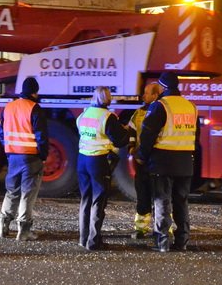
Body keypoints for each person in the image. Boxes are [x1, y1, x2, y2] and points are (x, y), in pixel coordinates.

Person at [136, 71, 198, 252]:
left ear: (162, 87)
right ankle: (182, 242)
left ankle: (162, 242)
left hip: (163, 161)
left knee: (162, 201)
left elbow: (148, 134)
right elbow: (197, 137)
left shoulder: (160, 106)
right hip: (185, 162)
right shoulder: (191, 106)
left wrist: (142, 156)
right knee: (181, 202)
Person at [76, 87, 130, 251]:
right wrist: (125, 131)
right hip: (98, 161)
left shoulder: (84, 114)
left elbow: (80, 130)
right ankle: (93, 242)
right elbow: (120, 140)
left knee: (85, 199)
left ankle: (83, 238)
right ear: (108, 99)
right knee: (98, 201)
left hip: (82, 159)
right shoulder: (108, 117)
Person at [0, 76, 49, 241]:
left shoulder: (8, 107)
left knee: (12, 191)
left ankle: (3, 225)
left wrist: (8, 150)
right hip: (31, 158)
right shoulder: (34, 108)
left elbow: (1, 133)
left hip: (13, 156)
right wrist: (43, 155)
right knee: (28, 193)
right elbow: (41, 135)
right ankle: (24, 230)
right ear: (35, 92)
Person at [127, 82, 162, 239]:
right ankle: (141, 229)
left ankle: (162, 230)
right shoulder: (138, 113)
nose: (143, 96)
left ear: (155, 96)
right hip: (141, 160)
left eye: (147, 93)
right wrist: (132, 147)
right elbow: (132, 131)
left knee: (161, 197)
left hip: (157, 160)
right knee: (142, 195)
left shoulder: (161, 112)